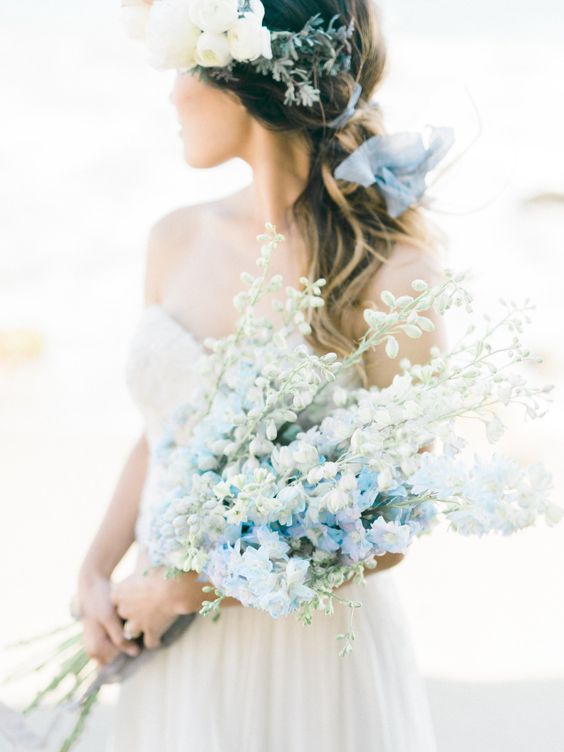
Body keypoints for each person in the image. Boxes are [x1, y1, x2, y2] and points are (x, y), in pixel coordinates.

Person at [77, 0, 447, 749]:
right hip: (164, 640)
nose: (172, 93)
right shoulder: (174, 239)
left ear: (242, 79)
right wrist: (95, 571)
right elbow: (159, 436)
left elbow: (396, 520)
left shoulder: (389, 274)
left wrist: (191, 588)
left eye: (183, 68)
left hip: (306, 654)